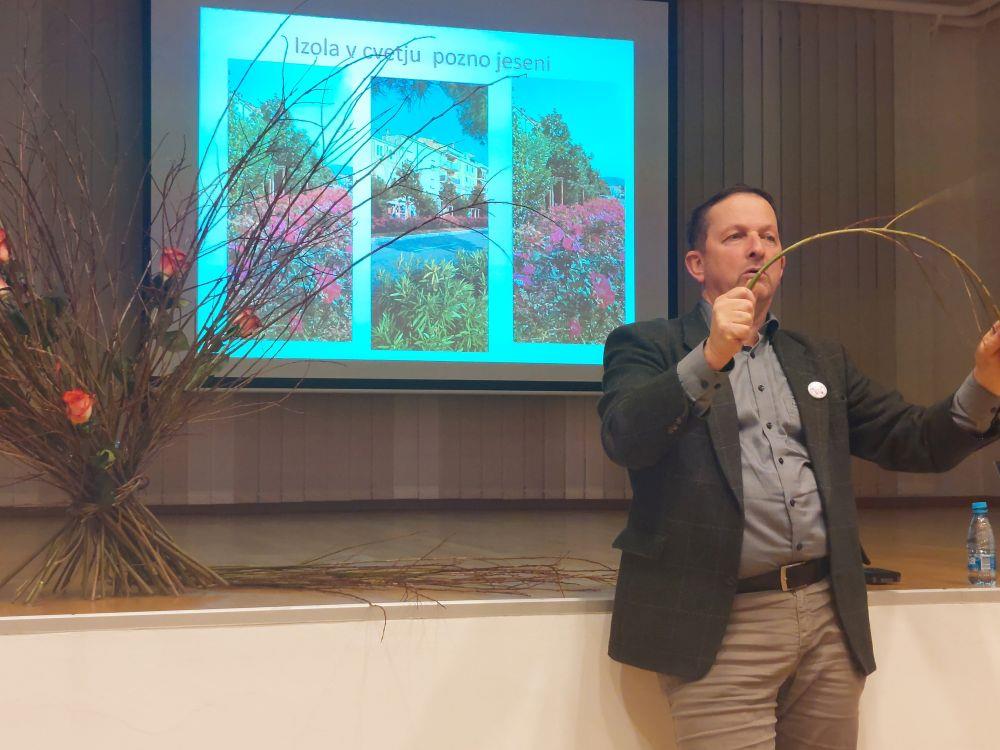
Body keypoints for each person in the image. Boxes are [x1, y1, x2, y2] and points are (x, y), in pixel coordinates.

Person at [598, 184, 1000, 750]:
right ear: (696, 264)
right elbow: (625, 438)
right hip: (716, 625)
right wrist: (710, 355)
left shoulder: (818, 359)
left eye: (769, 236)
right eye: (736, 236)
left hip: (827, 621)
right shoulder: (647, 345)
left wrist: (984, 383)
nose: (757, 248)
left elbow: (914, 441)